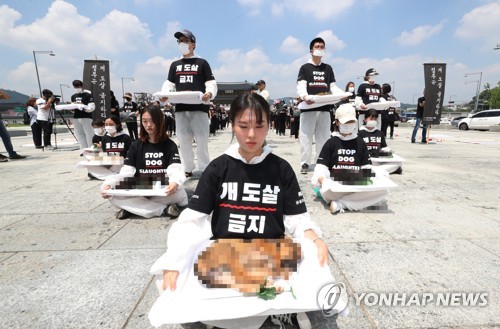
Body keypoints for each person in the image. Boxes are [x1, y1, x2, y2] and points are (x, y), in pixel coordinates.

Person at [149, 93, 339, 329]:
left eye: (259, 126)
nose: (251, 135)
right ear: (232, 124)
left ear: (269, 125)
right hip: (225, 253)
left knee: (312, 254)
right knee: (172, 268)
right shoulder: (218, 168)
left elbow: (297, 219)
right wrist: (175, 261)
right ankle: (271, 308)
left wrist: (315, 239)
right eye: (243, 126)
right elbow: (192, 220)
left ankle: (266, 309)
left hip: (271, 252)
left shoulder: (281, 168)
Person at [100, 104, 188, 220]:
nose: (148, 125)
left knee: (179, 193)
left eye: (152, 121)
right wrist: (109, 184)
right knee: (112, 195)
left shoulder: (170, 145)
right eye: (145, 121)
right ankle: (164, 210)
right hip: (141, 185)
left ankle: (133, 207)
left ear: (160, 121)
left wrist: (174, 183)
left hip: (161, 186)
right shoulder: (136, 145)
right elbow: (127, 171)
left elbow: (175, 168)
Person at [159, 29, 217, 178]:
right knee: (184, 140)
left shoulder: (202, 63)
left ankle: (204, 168)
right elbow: (169, 84)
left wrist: (209, 93)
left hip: (199, 108)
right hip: (180, 109)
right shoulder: (175, 64)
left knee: (202, 140)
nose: (182, 44)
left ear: (193, 44)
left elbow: (210, 83)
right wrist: (164, 94)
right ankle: (187, 167)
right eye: (180, 41)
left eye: (185, 41)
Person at [312, 104, 389, 214]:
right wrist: (323, 181)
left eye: (351, 122)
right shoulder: (331, 142)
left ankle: (341, 204)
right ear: (337, 122)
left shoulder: (360, 143)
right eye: (345, 122)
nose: (348, 125)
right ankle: (353, 202)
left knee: (383, 191)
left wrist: (376, 174)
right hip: (335, 187)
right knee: (327, 190)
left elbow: (366, 168)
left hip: (355, 184)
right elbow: (320, 168)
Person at [296, 36, 344, 174]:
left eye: (322, 47)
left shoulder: (327, 68)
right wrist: (305, 97)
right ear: (311, 50)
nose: (320, 49)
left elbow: (333, 87)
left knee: (323, 136)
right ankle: (305, 163)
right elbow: (301, 85)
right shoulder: (305, 68)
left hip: (324, 108)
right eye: (317, 47)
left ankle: (321, 161)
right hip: (309, 107)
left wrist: (342, 94)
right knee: (306, 136)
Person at [85, 116, 133, 180]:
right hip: (110, 161)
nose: (108, 126)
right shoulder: (105, 138)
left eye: (111, 124)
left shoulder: (125, 137)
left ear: (117, 125)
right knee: (90, 163)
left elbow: (130, 153)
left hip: (122, 162)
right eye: (106, 125)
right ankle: (112, 174)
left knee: (127, 169)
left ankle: (110, 174)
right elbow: (105, 151)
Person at [358, 109, 403, 174]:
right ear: (365, 119)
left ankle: (375, 171)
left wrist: (388, 152)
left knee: (398, 163)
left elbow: (384, 148)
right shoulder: (360, 133)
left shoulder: (380, 133)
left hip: (378, 160)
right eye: (371, 118)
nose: (373, 121)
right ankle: (380, 171)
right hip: (366, 160)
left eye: (375, 119)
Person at [71, 79, 96, 153]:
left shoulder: (88, 95)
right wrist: (72, 108)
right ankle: (83, 150)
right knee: (79, 134)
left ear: (82, 86)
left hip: (86, 117)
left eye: (78, 86)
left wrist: (83, 106)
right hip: (76, 117)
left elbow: (92, 107)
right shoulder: (73, 96)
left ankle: (91, 149)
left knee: (89, 134)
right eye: (75, 86)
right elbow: (73, 108)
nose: (77, 87)